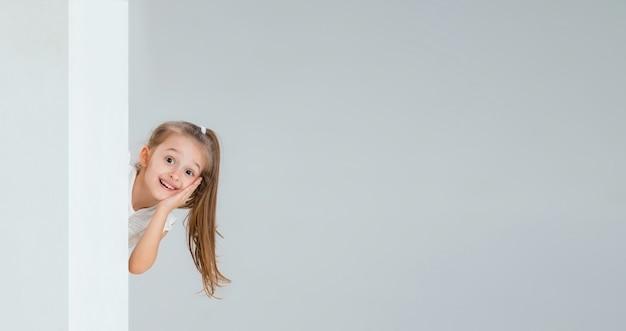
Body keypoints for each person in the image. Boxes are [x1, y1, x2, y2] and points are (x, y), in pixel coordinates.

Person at [128, 121, 229, 298]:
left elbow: (137, 266)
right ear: (145, 156)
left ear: (195, 185)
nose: (175, 175)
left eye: (188, 172)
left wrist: (163, 209)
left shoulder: (163, 219)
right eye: (169, 160)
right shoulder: (118, 173)